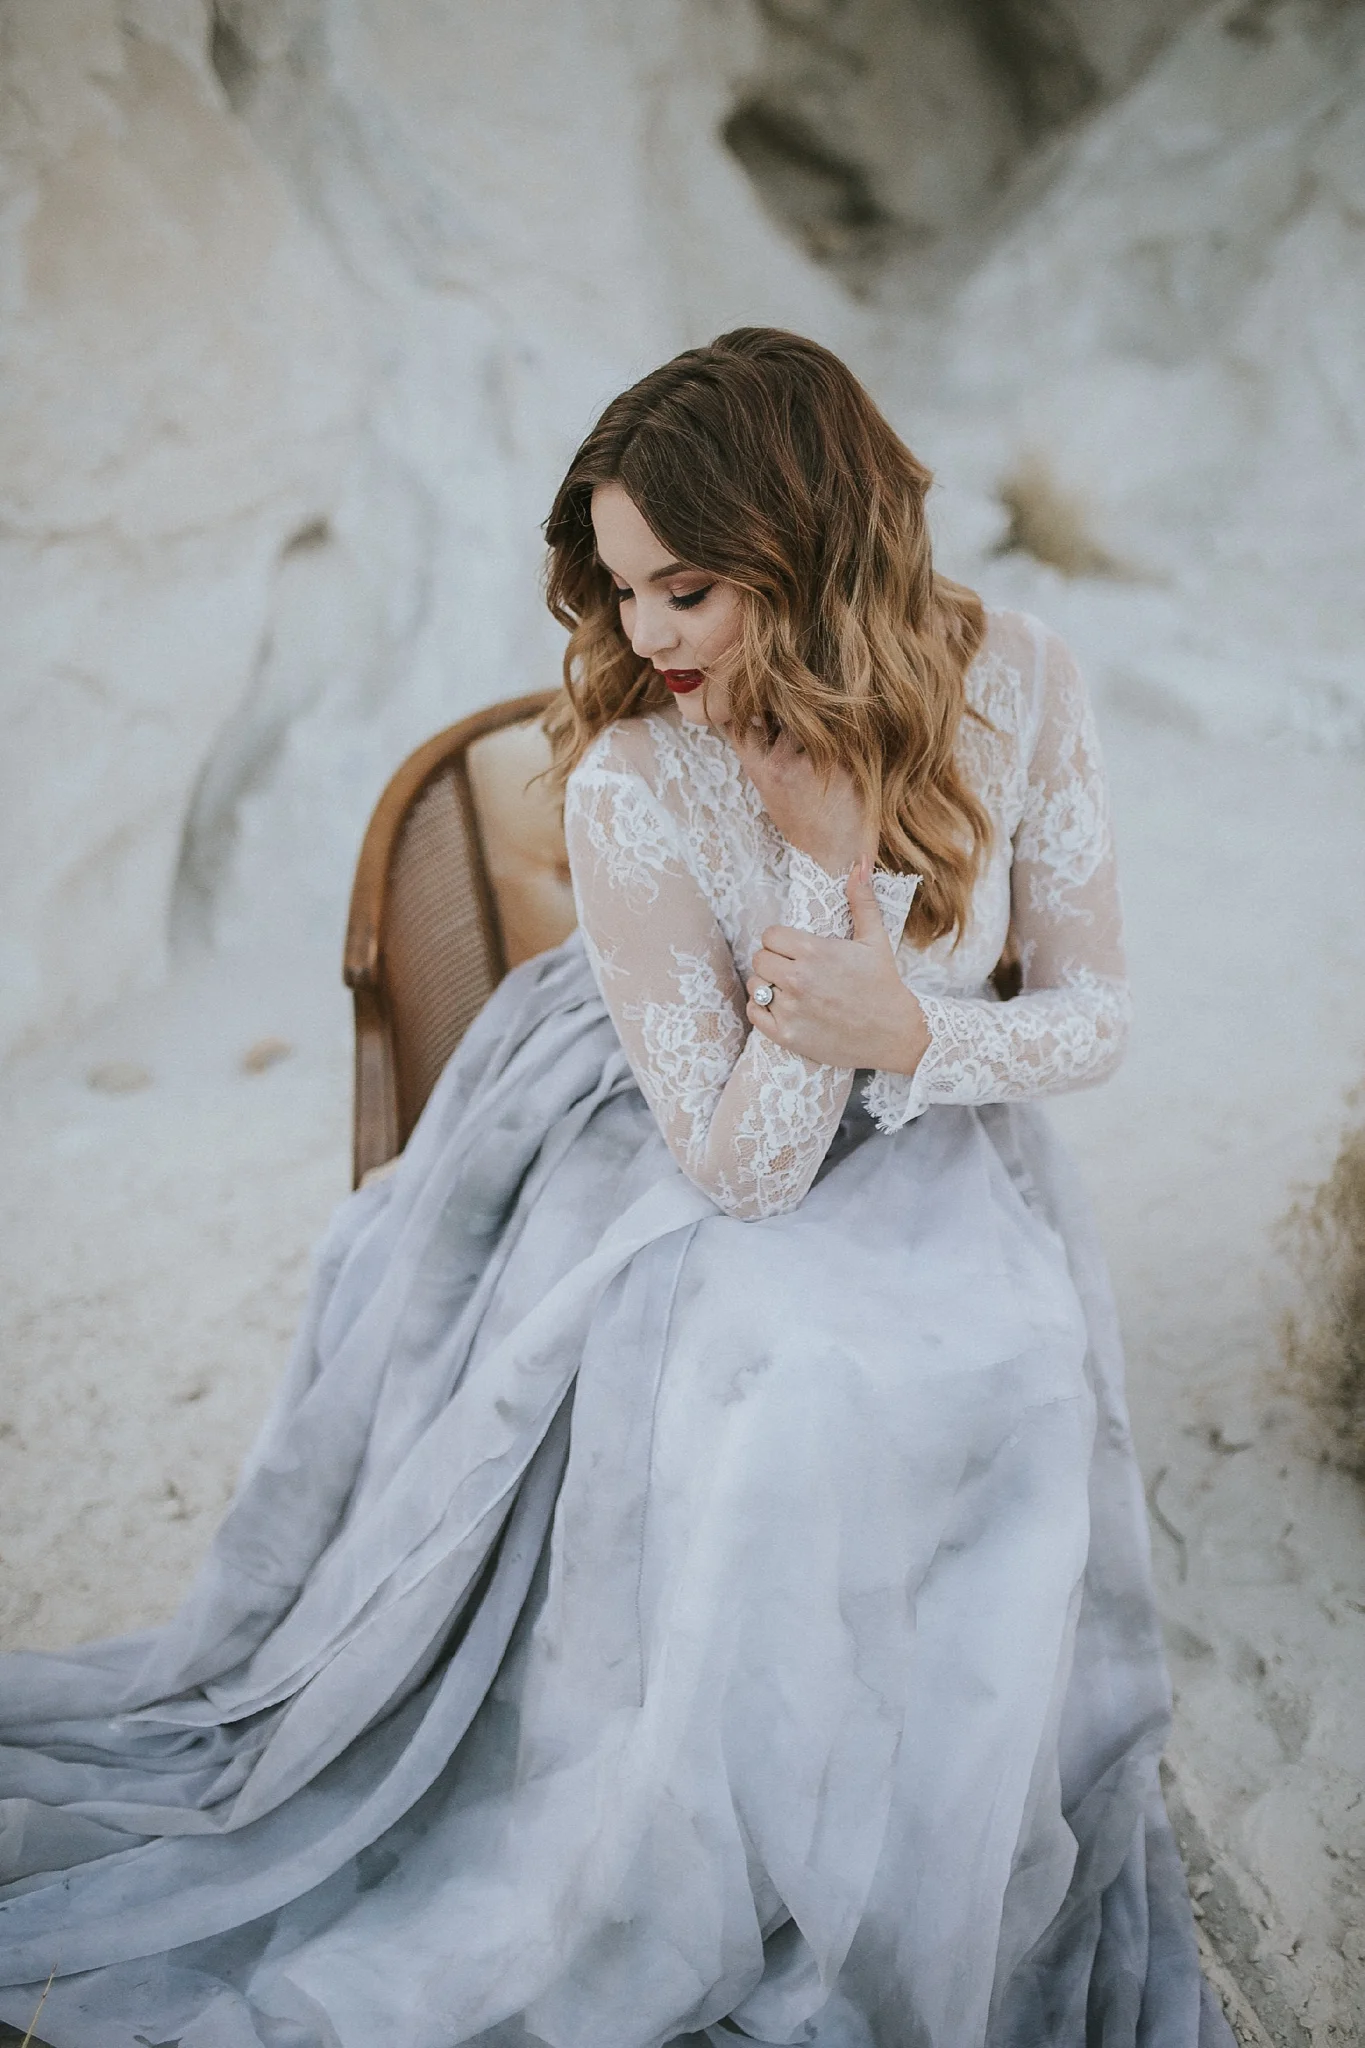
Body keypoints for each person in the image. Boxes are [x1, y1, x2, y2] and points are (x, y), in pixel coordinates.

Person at [0, 330, 1234, 2048]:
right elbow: (743, 1168)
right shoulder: (632, 777)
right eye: (624, 585)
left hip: (936, 1128)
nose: (645, 634)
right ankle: (721, 1844)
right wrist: (822, 875)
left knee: (1010, 1370)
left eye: (689, 589)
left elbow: (1092, 1014)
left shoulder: (1023, 676)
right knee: (785, 1377)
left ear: (814, 553)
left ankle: (905, 1821)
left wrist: (910, 1035)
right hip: (684, 1133)